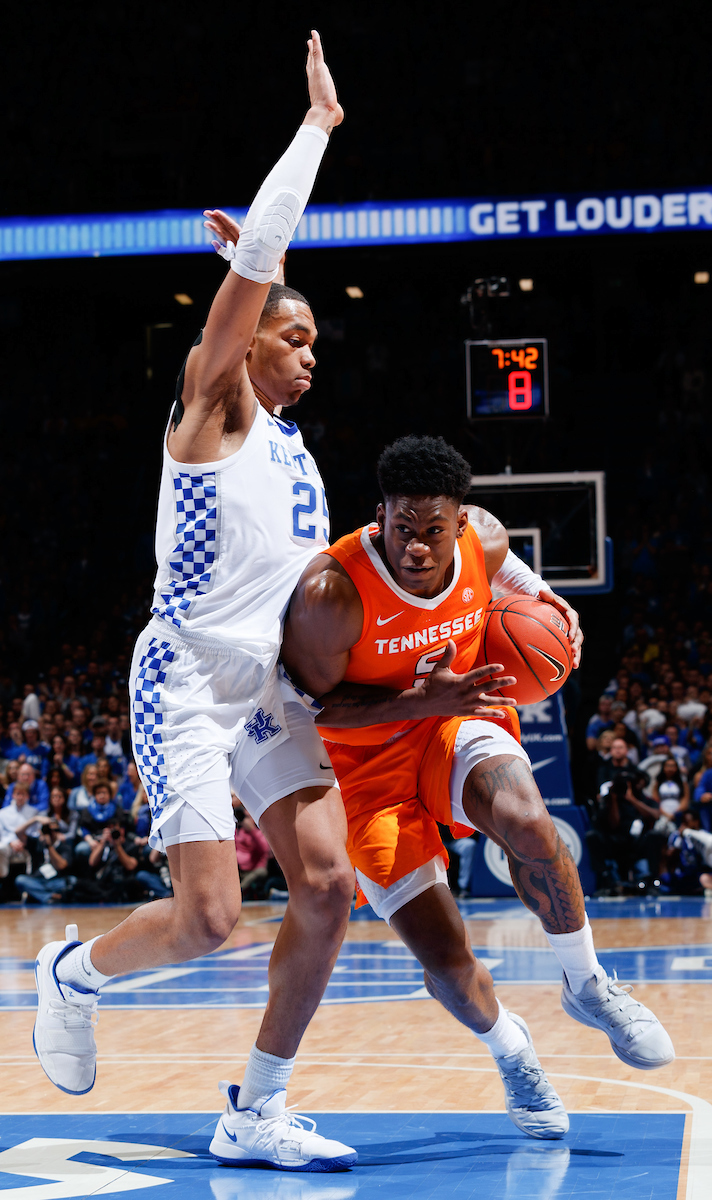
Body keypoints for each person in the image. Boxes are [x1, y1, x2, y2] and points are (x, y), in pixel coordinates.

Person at [34, 32, 357, 1173]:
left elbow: (267, 276)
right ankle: (73, 974)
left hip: (263, 687)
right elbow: (260, 268)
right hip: (184, 674)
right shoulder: (212, 404)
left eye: (315, 342)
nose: (311, 356)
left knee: (329, 884)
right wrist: (314, 132)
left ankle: (256, 1109)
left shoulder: (296, 449)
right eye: (293, 336)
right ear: (244, 337)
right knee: (210, 919)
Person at [280, 434, 674, 1138]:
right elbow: (315, 709)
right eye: (402, 528)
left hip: (453, 723)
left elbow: (508, 566)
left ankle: (587, 983)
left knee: (531, 823)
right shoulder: (330, 594)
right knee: (448, 963)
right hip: (363, 771)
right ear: (380, 516)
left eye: (433, 530)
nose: (417, 547)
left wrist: (547, 600)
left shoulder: (483, 541)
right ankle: (513, 1051)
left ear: (460, 523)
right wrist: (419, 700)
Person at [652, 755, 689, 820]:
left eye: (673, 766)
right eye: (668, 766)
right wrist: (664, 813)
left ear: (676, 768)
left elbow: (685, 799)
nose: (670, 768)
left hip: (678, 815)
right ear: (663, 767)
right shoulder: (658, 783)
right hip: (661, 815)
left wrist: (676, 813)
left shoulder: (682, 783)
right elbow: (655, 799)